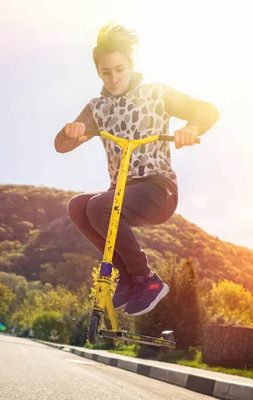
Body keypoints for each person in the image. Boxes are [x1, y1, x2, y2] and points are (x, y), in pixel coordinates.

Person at [54, 23, 220, 317]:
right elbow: (62, 145)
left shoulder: (156, 93)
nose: (114, 77)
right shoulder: (97, 108)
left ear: (131, 65)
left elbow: (208, 110)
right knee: (79, 206)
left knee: (100, 206)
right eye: (106, 72)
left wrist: (191, 127)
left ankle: (147, 280)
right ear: (98, 72)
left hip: (158, 189)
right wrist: (73, 131)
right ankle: (129, 277)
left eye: (119, 68)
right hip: (121, 193)